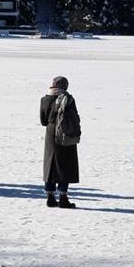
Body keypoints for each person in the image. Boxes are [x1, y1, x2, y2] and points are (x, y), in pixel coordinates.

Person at [39, 76, 79, 208]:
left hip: (50, 134)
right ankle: (63, 197)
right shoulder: (68, 98)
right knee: (65, 166)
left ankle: (50, 197)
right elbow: (75, 118)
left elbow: (43, 121)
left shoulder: (45, 99)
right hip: (65, 134)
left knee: (50, 164)